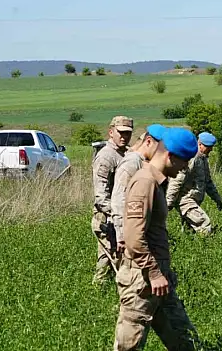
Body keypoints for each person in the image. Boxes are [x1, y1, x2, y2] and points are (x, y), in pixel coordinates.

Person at [113, 127, 201, 350]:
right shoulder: (145, 182)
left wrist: (163, 273)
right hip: (141, 281)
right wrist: (153, 272)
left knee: (182, 337)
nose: (185, 169)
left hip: (159, 279)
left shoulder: (157, 182)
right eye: (184, 162)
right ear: (170, 156)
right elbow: (133, 237)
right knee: (129, 344)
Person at [111, 124, 166, 258]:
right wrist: (122, 235)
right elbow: (119, 198)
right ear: (148, 141)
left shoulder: (144, 163)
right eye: (159, 148)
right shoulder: (132, 162)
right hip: (128, 233)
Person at [91, 115, 133, 285]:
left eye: (127, 133)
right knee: (115, 259)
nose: (124, 136)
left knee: (109, 259)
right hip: (107, 218)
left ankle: (100, 290)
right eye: (120, 132)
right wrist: (119, 213)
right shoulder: (106, 156)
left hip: (119, 217)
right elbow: (100, 195)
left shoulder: (126, 153)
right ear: (111, 132)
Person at [166, 132, 222, 235]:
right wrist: (169, 201)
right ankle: (208, 248)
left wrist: (217, 198)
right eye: (208, 147)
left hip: (194, 199)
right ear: (200, 144)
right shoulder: (192, 158)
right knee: (204, 224)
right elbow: (177, 180)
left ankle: (185, 247)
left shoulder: (203, 158)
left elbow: (208, 182)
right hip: (185, 200)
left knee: (189, 232)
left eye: (211, 147)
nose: (211, 149)